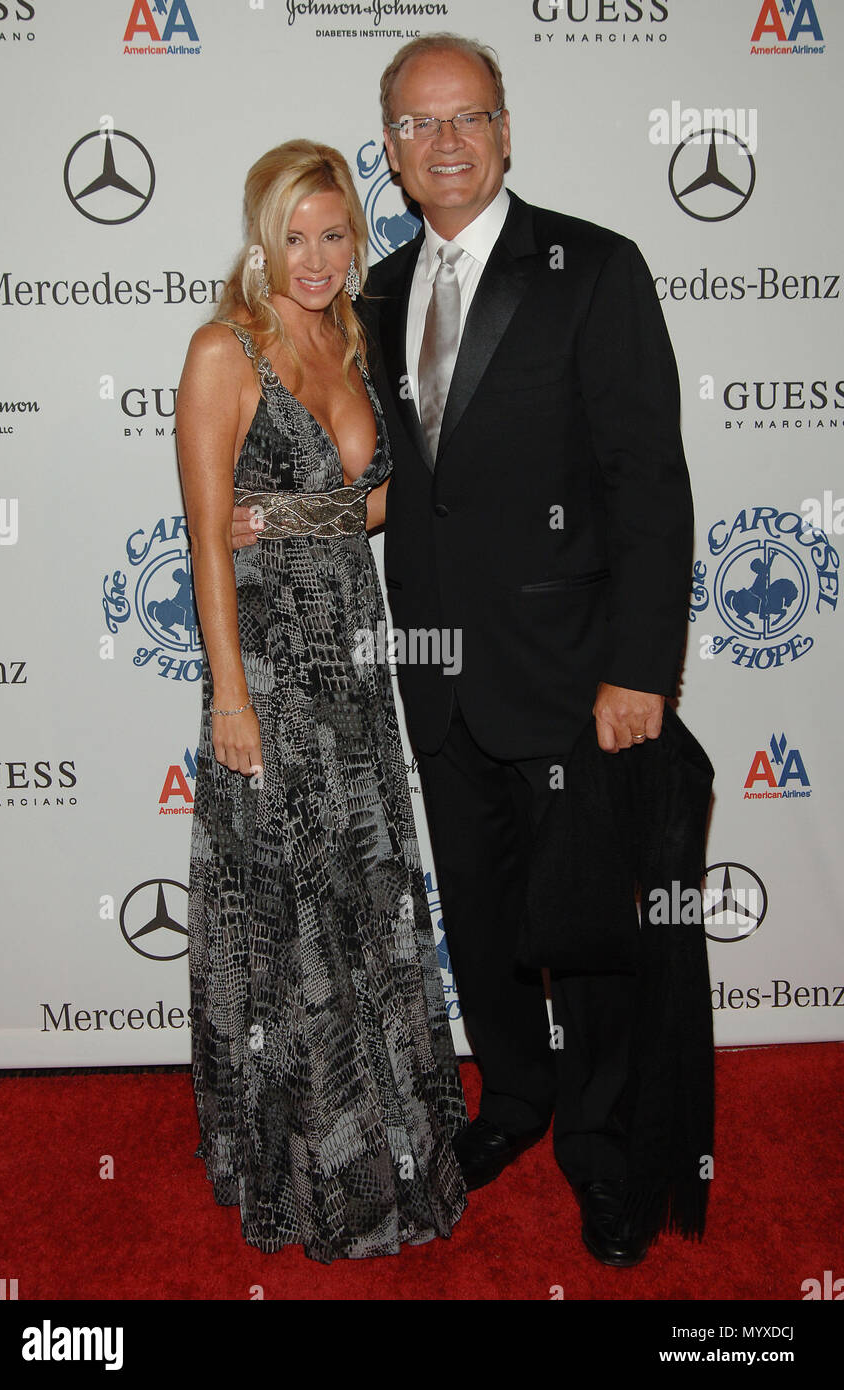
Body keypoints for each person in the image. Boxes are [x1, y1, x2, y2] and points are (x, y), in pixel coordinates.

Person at [233, 37, 696, 1268]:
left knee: (584, 933)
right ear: (388, 147)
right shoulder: (374, 292)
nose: (442, 143)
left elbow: (648, 482)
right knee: (483, 922)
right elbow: (382, 482)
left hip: (572, 675)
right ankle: (515, 1099)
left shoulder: (592, 267)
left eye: (466, 117)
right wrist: (269, 520)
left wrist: (638, 669)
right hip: (432, 676)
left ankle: (600, 1150)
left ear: (502, 130)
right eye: (415, 123)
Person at [176, 138, 467, 1265]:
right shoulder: (225, 349)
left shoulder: (350, 339)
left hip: (352, 651)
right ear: (261, 240)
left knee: (364, 886)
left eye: (333, 233)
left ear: (356, 236)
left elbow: (377, 501)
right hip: (269, 662)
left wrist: (302, 515)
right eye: (292, 235)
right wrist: (230, 701)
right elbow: (208, 539)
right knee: (291, 903)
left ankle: (391, 1138)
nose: (314, 256)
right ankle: (304, 1165)